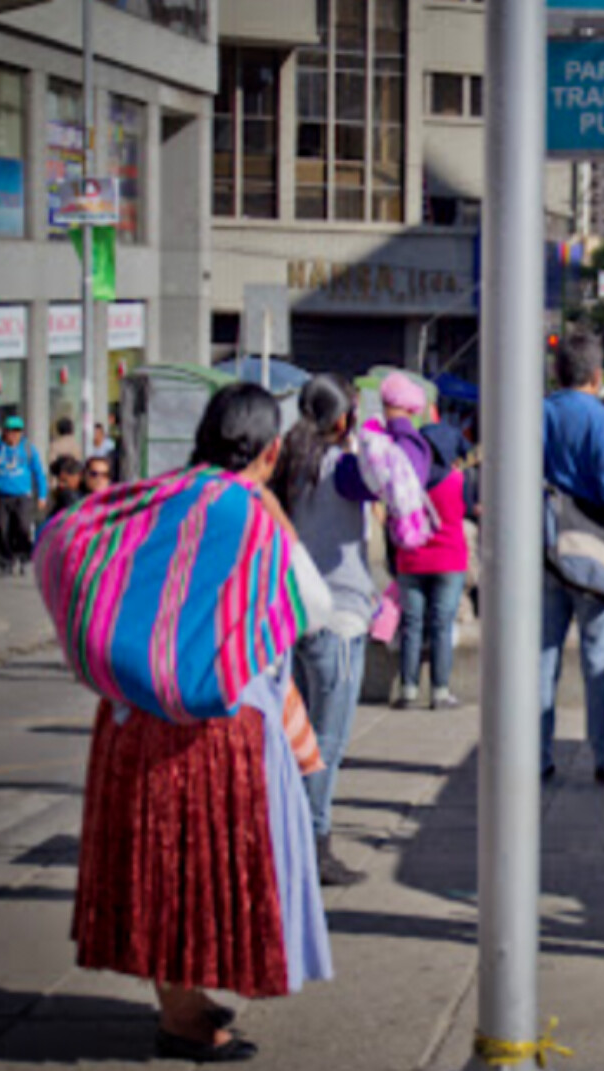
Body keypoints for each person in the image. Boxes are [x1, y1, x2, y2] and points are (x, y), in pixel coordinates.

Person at [38, 383, 333, 1063]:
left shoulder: (150, 494)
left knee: (153, 872)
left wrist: (121, 652)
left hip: (128, 717)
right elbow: (312, 605)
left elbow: (57, 541)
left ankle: (181, 1003)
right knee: (194, 876)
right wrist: (275, 519)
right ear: (270, 450)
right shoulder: (246, 512)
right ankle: (185, 1020)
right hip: (208, 731)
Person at [273, 375, 379, 888]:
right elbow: (394, 475)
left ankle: (286, 835)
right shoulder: (343, 468)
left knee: (296, 738)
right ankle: (313, 845)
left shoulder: (290, 466)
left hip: (295, 617)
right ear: (344, 418)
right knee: (325, 744)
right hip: (339, 619)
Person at [541, 333, 604, 785]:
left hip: (543, 549)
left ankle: (536, 755)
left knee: (541, 659)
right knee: (599, 659)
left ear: (555, 372)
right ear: (598, 377)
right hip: (594, 554)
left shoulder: (538, 414)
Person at [393, 425, 470, 711]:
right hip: (450, 560)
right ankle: (440, 691)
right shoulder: (458, 480)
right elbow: (470, 509)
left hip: (410, 560)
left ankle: (408, 690)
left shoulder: (407, 481)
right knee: (441, 626)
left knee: (411, 626)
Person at [0, 416, 47, 577]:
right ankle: (5, 561)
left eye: (17, 431)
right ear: (4, 431)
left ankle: (24, 557)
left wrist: (42, 495)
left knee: (23, 527)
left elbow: (39, 472)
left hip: (23, 496)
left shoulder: (27, 449)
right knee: (2, 529)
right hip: (2, 495)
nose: (13, 435)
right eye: (10, 431)